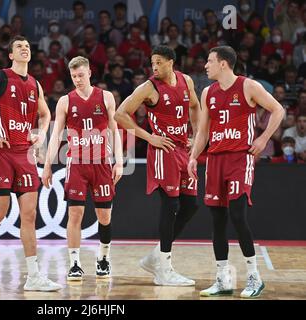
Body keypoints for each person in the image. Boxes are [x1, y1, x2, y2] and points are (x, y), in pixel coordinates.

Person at [0, 35, 62, 292]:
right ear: (10, 55)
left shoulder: (35, 83)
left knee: (29, 215)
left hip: (25, 154)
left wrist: (41, 134)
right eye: (19, 47)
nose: (25, 49)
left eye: (28, 46)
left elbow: (46, 113)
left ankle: (33, 276)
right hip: (2, 153)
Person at [187, 46, 284, 298]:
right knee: (217, 221)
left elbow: (278, 110)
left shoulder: (248, 86)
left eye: (209, 61)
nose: (205, 66)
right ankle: (223, 280)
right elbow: (203, 132)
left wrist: (262, 139)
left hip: (240, 158)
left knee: (238, 215)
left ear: (223, 64)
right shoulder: (208, 92)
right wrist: (193, 157)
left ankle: (254, 277)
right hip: (215, 161)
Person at [115, 46, 201, 286]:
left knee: (191, 204)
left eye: (159, 62)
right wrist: (149, 137)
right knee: (170, 204)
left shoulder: (186, 81)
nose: (154, 67)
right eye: (152, 62)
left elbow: (195, 106)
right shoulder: (149, 87)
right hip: (163, 152)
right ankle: (164, 268)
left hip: (183, 149)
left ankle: (156, 256)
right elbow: (120, 114)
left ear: (171, 62)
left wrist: (196, 133)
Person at [42, 56, 123, 281]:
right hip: (76, 164)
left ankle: (103, 258)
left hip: (101, 164)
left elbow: (114, 130)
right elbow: (56, 135)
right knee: (75, 214)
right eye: (73, 76)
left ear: (89, 73)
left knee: (104, 216)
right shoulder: (65, 101)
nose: (77, 79)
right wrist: (47, 165)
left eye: (80, 75)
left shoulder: (105, 97)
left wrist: (118, 161)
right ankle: (75, 263)